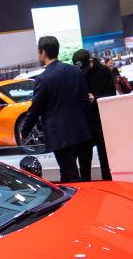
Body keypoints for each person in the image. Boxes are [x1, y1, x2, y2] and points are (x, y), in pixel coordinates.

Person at [18, 36, 91, 183]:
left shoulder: (43, 78)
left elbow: (35, 109)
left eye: (38, 52)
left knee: (70, 177)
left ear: (43, 53)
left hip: (61, 136)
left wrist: (24, 131)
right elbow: (85, 100)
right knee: (85, 176)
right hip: (82, 131)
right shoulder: (75, 71)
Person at [73, 49, 114, 181]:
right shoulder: (76, 75)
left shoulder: (104, 71)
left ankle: (108, 186)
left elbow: (112, 96)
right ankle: (86, 188)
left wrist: (95, 98)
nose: (83, 73)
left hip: (101, 122)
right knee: (84, 162)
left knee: (105, 160)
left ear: (91, 61)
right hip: (84, 124)